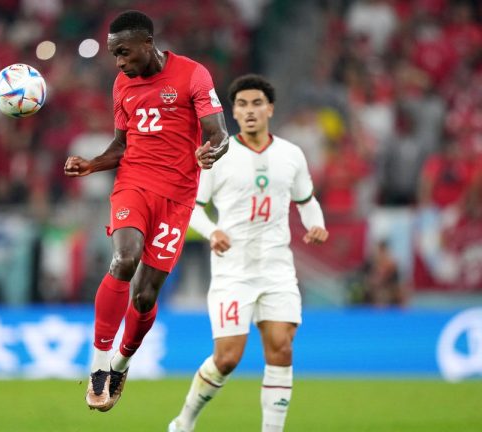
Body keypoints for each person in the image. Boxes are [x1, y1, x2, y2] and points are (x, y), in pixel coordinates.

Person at [63, 10, 230, 412]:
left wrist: (213, 151)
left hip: (177, 197)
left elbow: (219, 133)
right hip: (133, 185)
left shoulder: (192, 75)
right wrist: (91, 164)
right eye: (113, 55)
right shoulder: (123, 84)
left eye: (123, 53)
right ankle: (99, 366)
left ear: (146, 44)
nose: (118, 63)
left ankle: (121, 363)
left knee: (144, 295)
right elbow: (122, 145)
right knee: (124, 258)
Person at [168, 75, 329, 432]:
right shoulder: (217, 155)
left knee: (281, 348)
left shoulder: (291, 155)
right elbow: (191, 206)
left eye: (257, 103)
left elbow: (307, 200)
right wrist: (213, 231)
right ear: (234, 113)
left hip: (277, 268)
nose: (250, 110)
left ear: (270, 109)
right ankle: (184, 421)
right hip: (233, 271)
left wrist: (315, 224)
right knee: (227, 359)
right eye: (242, 105)